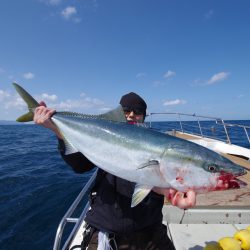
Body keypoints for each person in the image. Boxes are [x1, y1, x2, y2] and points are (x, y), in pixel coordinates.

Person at [34, 92, 196, 250]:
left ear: (144, 117)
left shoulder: (155, 144)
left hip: (150, 229)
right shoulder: (103, 139)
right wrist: (57, 130)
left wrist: (172, 190)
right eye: (126, 111)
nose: (132, 115)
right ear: (118, 114)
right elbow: (80, 166)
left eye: (138, 112)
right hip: (106, 230)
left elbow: (164, 179)